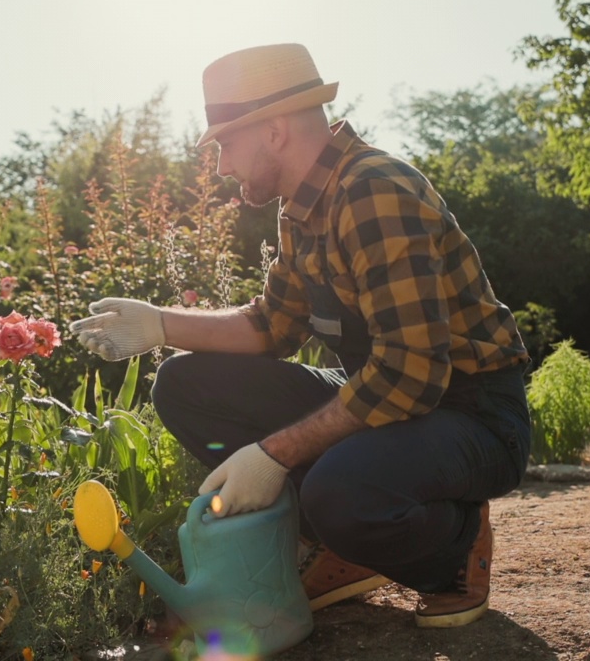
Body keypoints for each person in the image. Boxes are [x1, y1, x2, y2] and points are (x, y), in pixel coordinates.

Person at [70, 43, 531, 627]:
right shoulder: (303, 209)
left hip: (473, 413)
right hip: (388, 396)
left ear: (275, 131)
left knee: (337, 493)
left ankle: (453, 548)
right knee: (183, 384)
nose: (221, 167)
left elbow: (410, 372)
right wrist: (161, 324)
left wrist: (272, 455)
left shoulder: (374, 192)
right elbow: (272, 326)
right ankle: (344, 543)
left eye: (227, 144)